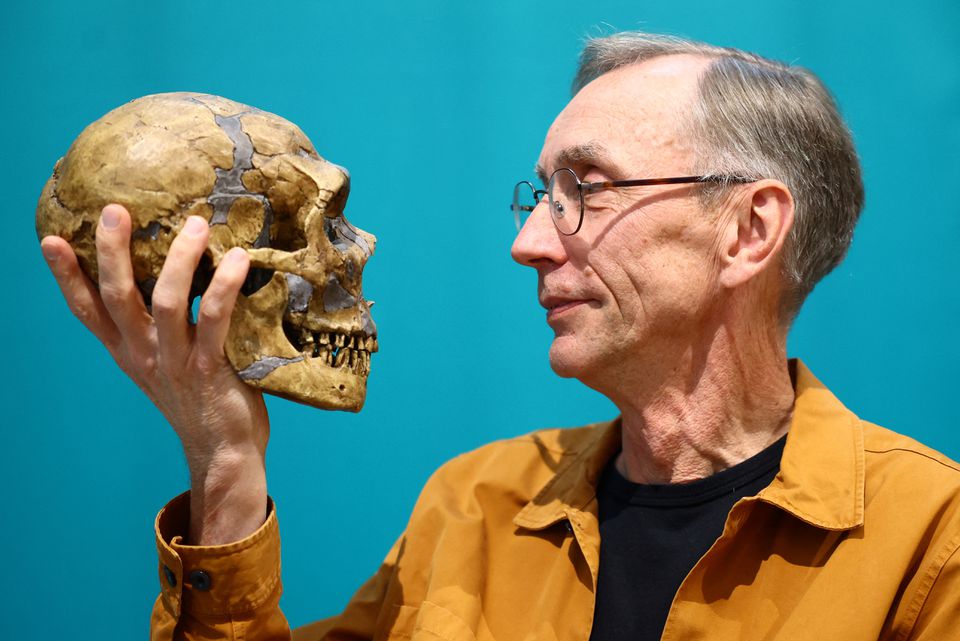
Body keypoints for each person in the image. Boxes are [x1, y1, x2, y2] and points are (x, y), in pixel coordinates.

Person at [40, 31, 960, 641]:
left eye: (586, 191)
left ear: (750, 230)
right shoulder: (471, 507)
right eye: (539, 196)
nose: (526, 243)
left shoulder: (931, 541)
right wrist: (226, 467)